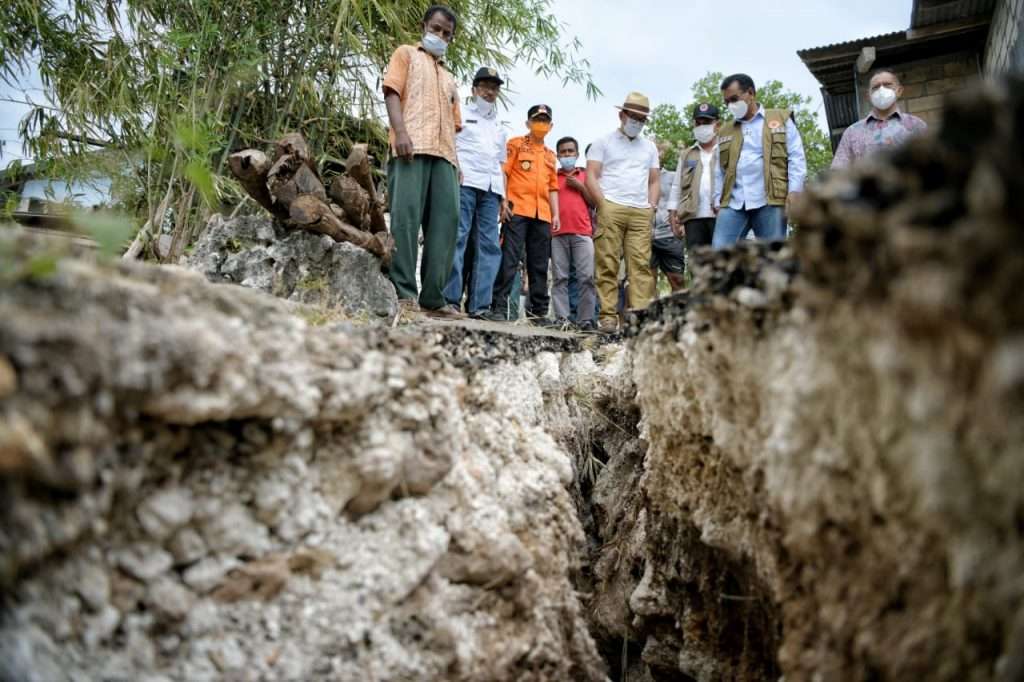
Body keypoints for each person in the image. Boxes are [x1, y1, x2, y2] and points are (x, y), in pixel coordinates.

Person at [382, 5, 463, 319]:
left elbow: (455, 126)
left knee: (447, 222)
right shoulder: (406, 54)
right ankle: (404, 293)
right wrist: (400, 131)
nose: (440, 36)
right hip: (411, 146)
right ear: (424, 25)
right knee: (405, 219)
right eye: (437, 28)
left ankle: (434, 297)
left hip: (445, 155)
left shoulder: (449, 77)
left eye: (446, 34)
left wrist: (457, 163)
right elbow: (391, 92)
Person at [586, 92, 660, 333]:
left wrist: (651, 207)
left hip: (640, 211)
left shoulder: (649, 147)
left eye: (642, 119)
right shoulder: (603, 142)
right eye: (634, 117)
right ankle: (607, 316)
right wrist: (603, 204)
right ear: (622, 115)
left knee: (640, 265)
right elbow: (591, 176)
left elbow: (654, 180)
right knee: (607, 262)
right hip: (612, 206)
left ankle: (638, 319)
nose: (637, 122)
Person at [484, 104, 560, 323]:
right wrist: (504, 200)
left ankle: (537, 312)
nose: (541, 124)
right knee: (509, 258)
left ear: (551, 126)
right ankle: (498, 306)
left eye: (545, 121)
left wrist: (556, 214)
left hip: (543, 214)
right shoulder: (515, 145)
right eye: (537, 120)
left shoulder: (550, 155)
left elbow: (553, 187)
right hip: (517, 210)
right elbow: (504, 173)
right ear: (528, 123)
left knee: (538, 264)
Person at [712, 74, 806, 248]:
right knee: (719, 253)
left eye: (734, 99)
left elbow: (796, 157)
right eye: (727, 102)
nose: (730, 106)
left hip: (770, 201)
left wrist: (794, 191)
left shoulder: (780, 119)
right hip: (733, 203)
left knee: (774, 257)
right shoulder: (725, 130)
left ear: (750, 93)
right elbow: (718, 170)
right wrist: (717, 200)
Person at [443, 66, 507, 317]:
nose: (489, 92)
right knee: (457, 238)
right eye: (484, 87)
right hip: (465, 183)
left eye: (494, 88)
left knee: (490, 246)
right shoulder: (460, 113)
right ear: (474, 90)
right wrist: (454, 169)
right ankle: (450, 300)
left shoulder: (500, 125)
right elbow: (449, 144)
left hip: (491, 191)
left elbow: (500, 163)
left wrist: (504, 196)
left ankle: (480, 306)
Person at [831, 69, 927, 169]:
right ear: (868, 96)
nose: (881, 90)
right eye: (875, 87)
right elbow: (838, 171)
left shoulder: (916, 126)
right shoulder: (852, 133)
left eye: (887, 85)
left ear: (899, 91)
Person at [551, 136, 597, 330]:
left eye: (570, 151)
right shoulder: (552, 176)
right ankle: (562, 318)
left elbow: (594, 202)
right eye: (563, 152)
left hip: (582, 233)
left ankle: (586, 319)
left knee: (586, 277)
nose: (567, 155)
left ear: (577, 154)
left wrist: (581, 187)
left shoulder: (585, 176)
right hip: (557, 234)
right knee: (560, 278)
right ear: (557, 155)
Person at [669, 102, 721, 258]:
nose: (702, 126)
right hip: (693, 218)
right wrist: (673, 213)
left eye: (707, 122)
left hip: (721, 217)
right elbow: (676, 185)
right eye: (698, 123)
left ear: (717, 124)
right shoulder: (687, 154)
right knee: (698, 267)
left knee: (723, 265)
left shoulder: (726, 149)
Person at [650, 141, 685, 293]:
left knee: (678, 281)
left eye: (658, 152)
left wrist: (682, 224)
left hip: (669, 236)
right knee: (645, 285)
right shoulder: (636, 179)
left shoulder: (672, 177)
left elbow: (683, 200)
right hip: (644, 237)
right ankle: (650, 316)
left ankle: (680, 315)